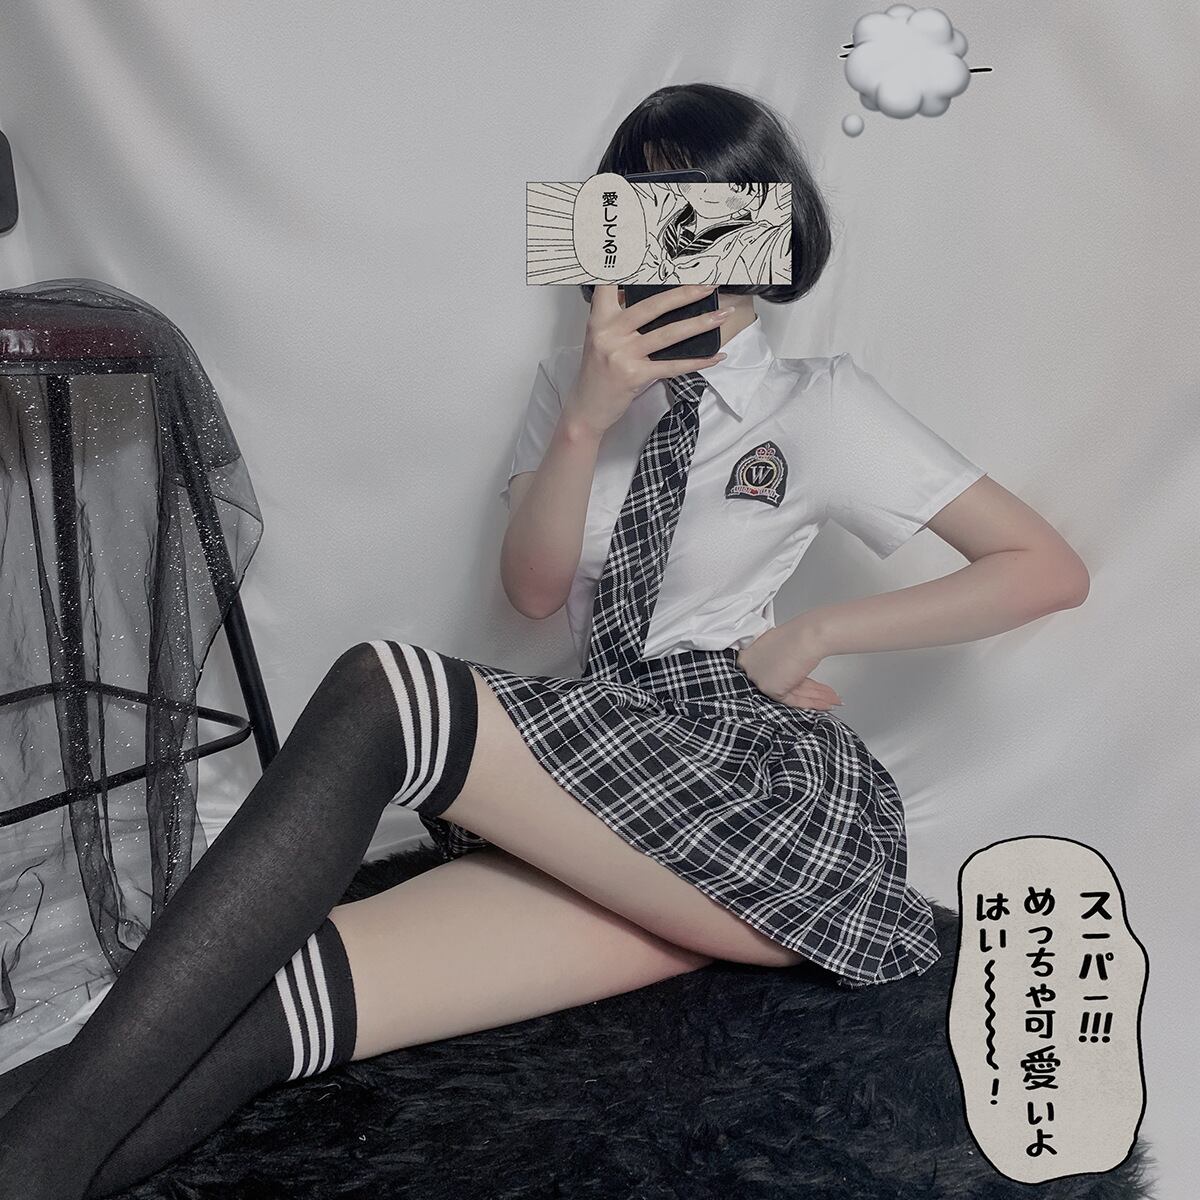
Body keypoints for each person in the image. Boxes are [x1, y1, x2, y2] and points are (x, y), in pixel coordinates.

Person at [0, 82, 1090, 1199]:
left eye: (707, 207)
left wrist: (815, 631)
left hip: (756, 779)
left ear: (767, 227)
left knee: (384, 693)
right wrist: (585, 415)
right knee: (284, 1002)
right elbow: (531, 594)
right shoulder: (573, 394)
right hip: (608, 765)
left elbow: (1045, 568)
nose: (675, 236)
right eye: (643, 206)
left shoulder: (820, 406)